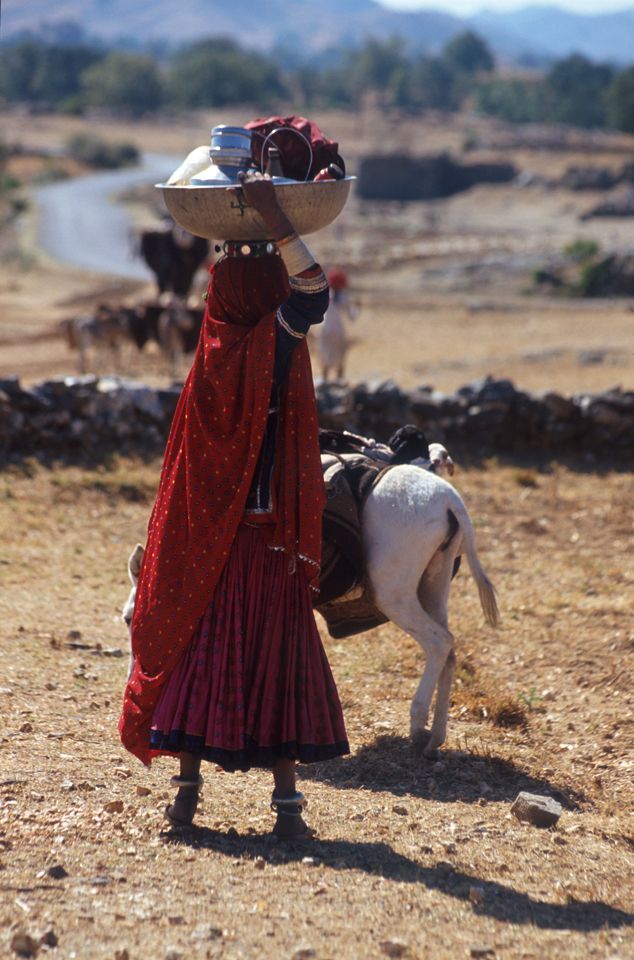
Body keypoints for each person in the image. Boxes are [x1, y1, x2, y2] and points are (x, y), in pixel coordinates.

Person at [119, 170, 349, 839]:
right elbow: (312, 293)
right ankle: (286, 810)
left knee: (204, 654)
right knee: (278, 660)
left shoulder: (214, 353)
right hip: (267, 539)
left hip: (210, 549)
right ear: (258, 295)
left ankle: (184, 800)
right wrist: (278, 219)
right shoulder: (263, 348)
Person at [317, 266, 358, 381]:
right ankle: (339, 381)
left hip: (325, 329)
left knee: (325, 356)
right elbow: (352, 317)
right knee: (340, 357)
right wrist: (358, 308)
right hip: (339, 331)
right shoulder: (344, 298)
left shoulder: (325, 295)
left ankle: (324, 381)